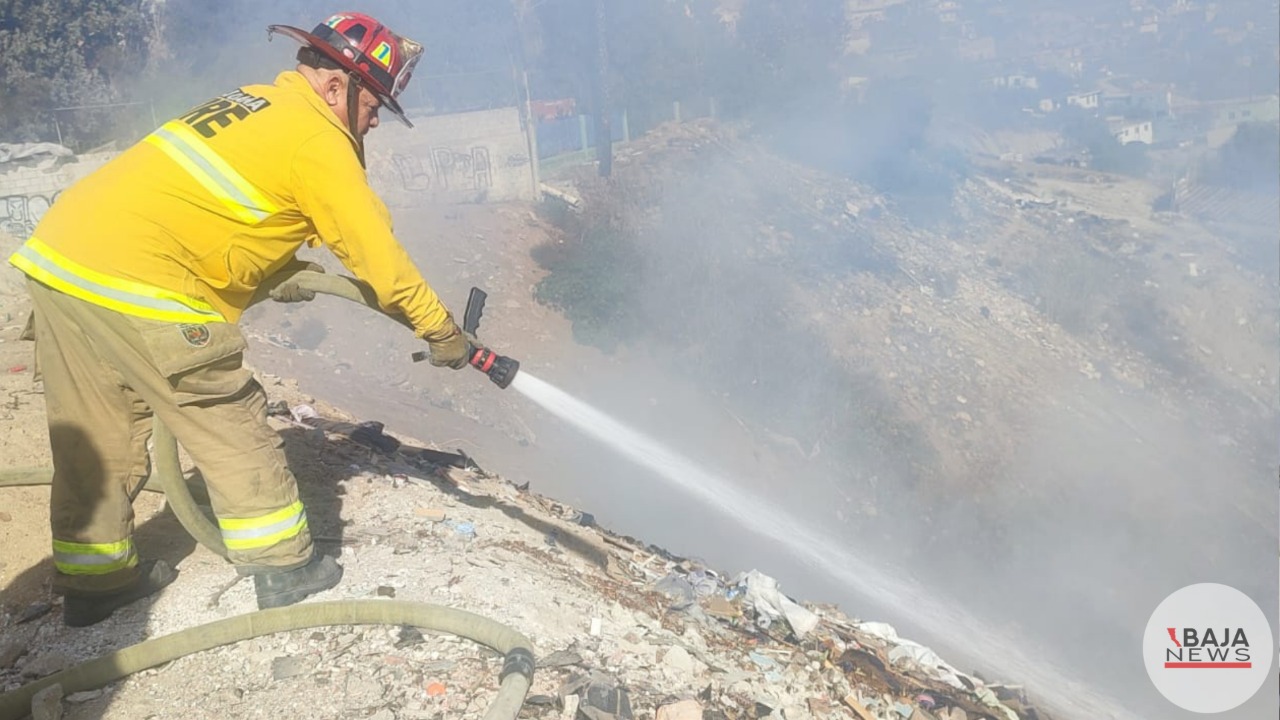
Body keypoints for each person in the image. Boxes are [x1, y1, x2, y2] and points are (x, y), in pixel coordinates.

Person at [6, 11, 475, 627]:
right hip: (138, 276)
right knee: (221, 412)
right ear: (337, 86)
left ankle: (96, 583)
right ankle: (282, 566)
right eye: (375, 102)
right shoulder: (318, 141)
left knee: (99, 428)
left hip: (63, 258)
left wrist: (272, 272)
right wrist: (441, 331)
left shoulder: (252, 101)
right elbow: (378, 261)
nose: (377, 118)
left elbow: (217, 202)